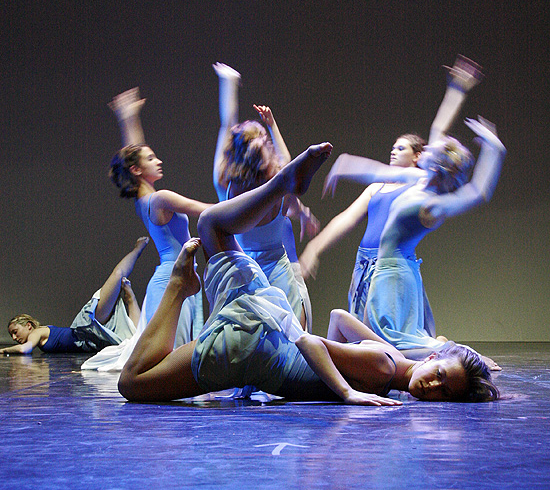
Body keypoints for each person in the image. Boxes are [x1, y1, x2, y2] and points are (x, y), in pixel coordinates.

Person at [117, 145, 499, 405]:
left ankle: (278, 187)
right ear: (433, 356)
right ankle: (179, 287)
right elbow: (310, 344)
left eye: (444, 391)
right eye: (440, 374)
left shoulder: (389, 357)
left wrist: (331, 385)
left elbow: (338, 320)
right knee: (131, 383)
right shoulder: (384, 366)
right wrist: (345, 393)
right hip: (252, 356)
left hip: (263, 331)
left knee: (212, 224)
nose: (433, 386)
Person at [300, 55, 484, 342]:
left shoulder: (420, 184)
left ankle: (440, 354)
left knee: (391, 335)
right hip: (365, 262)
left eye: (401, 148)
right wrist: (314, 248)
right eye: (393, 147)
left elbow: (439, 129)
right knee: (363, 333)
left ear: (420, 156)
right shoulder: (378, 187)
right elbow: (345, 220)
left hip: (391, 267)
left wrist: (457, 89)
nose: (394, 151)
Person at [323, 114, 506, 355]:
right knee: (378, 338)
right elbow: (378, 172)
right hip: (388, 269)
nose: (427, 146)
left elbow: (478, 192)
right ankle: (447, 352)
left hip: (393, 274)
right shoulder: (418, 178)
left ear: (437, 165)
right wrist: (344, 166)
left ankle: (455, 354)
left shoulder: (432, 205)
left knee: (386, 341)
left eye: (433, 149)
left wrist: (495, 149)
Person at [81, 88, 212, 371]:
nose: (159, 160)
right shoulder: (160, 199)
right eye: (152, 159)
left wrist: (128, 118)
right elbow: (207, 209)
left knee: (167, 349)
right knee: (167, 353)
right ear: (138, 170)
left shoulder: (144, 200)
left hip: (171, 277)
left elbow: (134, 157)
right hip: (171, 280)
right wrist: (262, 196)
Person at [212, 63, 318, 331]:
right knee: (290, 339)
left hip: (247, 272)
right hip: (278, 273)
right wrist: (272, 126)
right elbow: (288, 166)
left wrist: (229, 85)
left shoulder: (227, 187)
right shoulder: (279, 188)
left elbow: (227, 125)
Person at [2, 237, 149, 355]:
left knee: (117, 275)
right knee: (135, 338)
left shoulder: (37, 332)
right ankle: (129, 296)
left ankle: (138, 248)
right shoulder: (39, 336)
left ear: (28, 326)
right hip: (93, 339)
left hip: (88, 327)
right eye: (12, 336)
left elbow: (24, 350)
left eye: (15, 332)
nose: (14, 338)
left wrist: (2, 350)